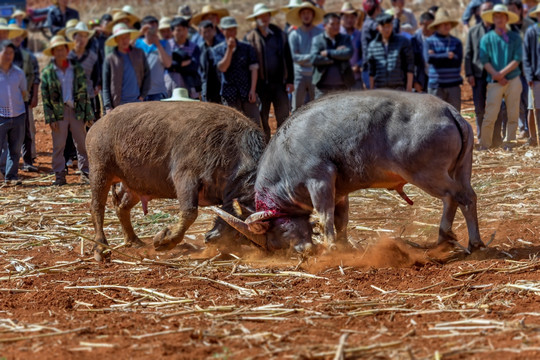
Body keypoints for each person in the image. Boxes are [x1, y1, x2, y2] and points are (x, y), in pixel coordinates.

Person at [41, 35, 93, 185]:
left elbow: (84, 92)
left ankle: (86, 172)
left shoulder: (76, 69)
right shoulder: (47, 72)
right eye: (56, 50)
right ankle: (59, 174)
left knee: (82, 143)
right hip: (59, 113)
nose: (59, 52)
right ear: (52, 52)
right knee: (59, 145)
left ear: (67, 50)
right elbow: (45, 98)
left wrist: (87, 114)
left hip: (76, 110)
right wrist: (50, 118)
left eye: (62, 49)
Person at [245, 3, 294, 140]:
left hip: (279, 84)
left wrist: (290, 80)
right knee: (262, 118)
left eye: (266, 15)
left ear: (269, 16)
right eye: (260, 16)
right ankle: (266, 146)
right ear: (256, 19)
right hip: (261, 86)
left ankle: (283, 144)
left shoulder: (280, 35)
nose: (264, 19)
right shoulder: (250, 38)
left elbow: (288, 58)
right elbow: (247, 64)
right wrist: (252, 88)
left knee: (283, 116)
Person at [479, 4, 523, 150]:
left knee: (513, 113)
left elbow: (517, 59)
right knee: (490, 114)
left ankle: (510, 142)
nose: (499, 19)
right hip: (494, 81)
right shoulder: (486, 38)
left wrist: (501, 74)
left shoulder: (515, 38)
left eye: (502, 16)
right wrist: (496, 76)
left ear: (507, 18)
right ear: (492, 19)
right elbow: (484, 60)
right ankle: (485, 144)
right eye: (496, 16)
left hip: (513, 80)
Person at [465, 1, 504, 144]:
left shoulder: (500, 30)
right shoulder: (473, 31)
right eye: (484, 10)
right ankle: (483, 139)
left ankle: (496, 138)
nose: (487, 13)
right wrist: (469, 74)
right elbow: (468, 53)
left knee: (498, 107)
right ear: (479, 13)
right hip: (478, 74)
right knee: (479, 108)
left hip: (496, 75)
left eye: (490, 10)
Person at [213, 16, 260, 125]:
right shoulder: (217, 50)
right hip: (229, 95)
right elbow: (222, 68)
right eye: (228, 29)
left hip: (247, 93)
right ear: (222, 31)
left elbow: (254, 69)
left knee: (254, 124)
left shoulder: (247, 48)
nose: (231, 32)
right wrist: (229, 50)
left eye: (233, 29)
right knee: (233, 127)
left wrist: (253, 90)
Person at [10, 25, 40, 172]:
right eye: (13, 35)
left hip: (24, 99)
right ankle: (8, 167)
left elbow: (35, 77)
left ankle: (27, 162)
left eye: (19, 35)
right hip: (5, 100)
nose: (16, 37)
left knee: (26, 132)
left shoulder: (28, 56)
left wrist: (34, 96)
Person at [102, 23, 150, 113]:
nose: (124, 41)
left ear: (130, 37)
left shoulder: (139, 53)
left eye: (126, 37)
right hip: (118, 104)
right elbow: (105, 85)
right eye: (121, 38)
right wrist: (108, 106)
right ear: (116, 40)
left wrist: (143, 95)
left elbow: (147, 75)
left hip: (137, 102)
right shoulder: (110, 59)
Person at [287, 2, 324, 111]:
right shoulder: (294, 35)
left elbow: (322, 55)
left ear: (313, 15)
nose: (306, 15)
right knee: (296, 109)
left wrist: (304, 57)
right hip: (299, 75)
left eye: (308, 12)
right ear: (300, 16)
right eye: (303, 13)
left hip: (316, 76)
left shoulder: (321, 33)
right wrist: (313, 56)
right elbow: (295, 57)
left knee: (318, 107)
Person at [426, 9, 463, 111]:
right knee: (435, 116)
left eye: (448, 24)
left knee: (455, 117)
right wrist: (447, 55)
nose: (447, 26)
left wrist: (437, 56)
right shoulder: (429, 41)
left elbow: (457, 61)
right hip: (436, 86)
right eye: (443, 24)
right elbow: (429, 59)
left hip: (453, 86)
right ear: (437, 25)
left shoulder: (456, 42)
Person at [0, 40, 26, 185]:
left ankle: (11, 177)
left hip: (18, 115)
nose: (8, 56)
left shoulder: (19, 73)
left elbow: (23, 92)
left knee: (15, 150)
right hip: (0, 116)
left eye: (11, 53)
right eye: (5, 52)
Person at [311, 12, 355, 98]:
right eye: (332, 24)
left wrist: (328, 53)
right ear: (325, 25)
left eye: (338, 23)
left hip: (343, 86)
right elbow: (314, 58)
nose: (336, 26)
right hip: (322, 87)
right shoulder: (317, 40)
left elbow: (349, 53)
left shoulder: (345, 38)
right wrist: (337, 57)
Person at [367, 13, 414, 91]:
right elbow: (371, 70)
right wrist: (371, 90)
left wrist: (409, 87)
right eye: (383, 27)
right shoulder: (372, 46)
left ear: (392, 26)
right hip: (380, 89)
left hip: (399, 88)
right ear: (378, 27)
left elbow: (410, 65)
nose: (386, 29)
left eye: (388, 26)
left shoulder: (403, 42)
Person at [67, 22, 100, 120]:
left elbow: (96, 78)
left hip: (88, 101)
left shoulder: (93, 57)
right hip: (70, 102)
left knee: (89, 131)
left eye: (85, 36)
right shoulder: (66, 57)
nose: (82, 39)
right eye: (80, 36)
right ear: (74, 37)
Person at [167, 17, 201, 99]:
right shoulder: (167, 46)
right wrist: (184, 63)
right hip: (170, 85)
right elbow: (166, 65)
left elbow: (194, 66)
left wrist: (175, 66)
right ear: (172, 32)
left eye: (184, 29)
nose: (182, 33)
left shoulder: (194, 47)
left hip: (190, 85)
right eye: (178, 30)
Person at [522, 6, 540, 145]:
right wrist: (528, 75)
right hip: (535, 78)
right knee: (532, 108)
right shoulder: (531, 32)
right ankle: (533, 137)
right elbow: (526, 56)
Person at [340, 2, 364, 89]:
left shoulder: (359, 34)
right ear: (341, 18)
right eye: (346, 17)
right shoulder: (337, 34)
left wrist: (358, 65)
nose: (349, 20)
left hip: (356, 78)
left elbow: (364, 54)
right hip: (340, 79)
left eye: (351, 17)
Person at [198, 20, 221, 103]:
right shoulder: (200, 49)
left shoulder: (221, 46)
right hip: (206, 88)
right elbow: (199, 69)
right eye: (204, 32)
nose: (207, 34)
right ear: (200, 33)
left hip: (221, 86)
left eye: (209, 31)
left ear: (213, 30)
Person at [410, 12, 434, 92]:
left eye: (431, 26)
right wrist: (415, 81)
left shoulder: (438, 39)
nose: (429, 28)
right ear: (420, 24)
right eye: (426, 25)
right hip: (420, 81)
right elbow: (410, 63)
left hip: (436, 80)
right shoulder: (414, 40)